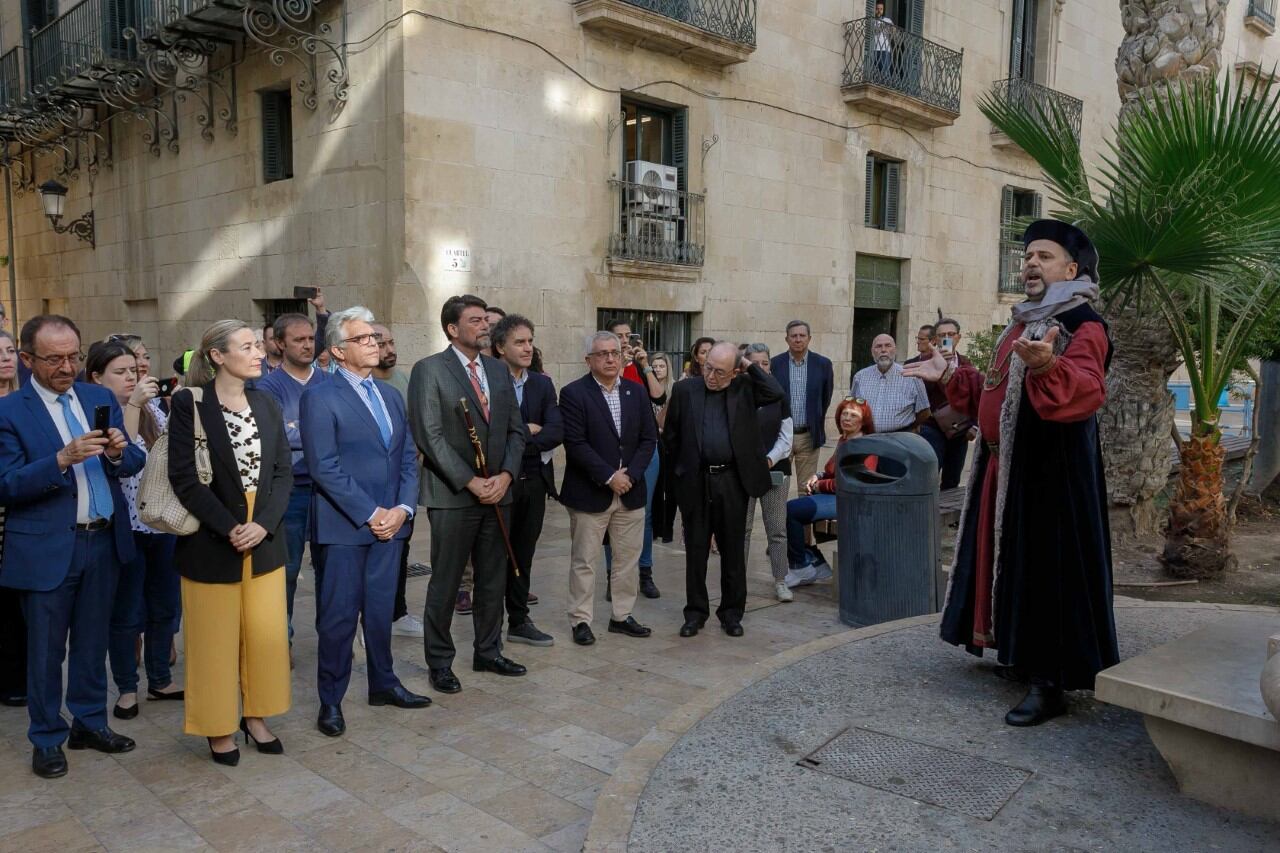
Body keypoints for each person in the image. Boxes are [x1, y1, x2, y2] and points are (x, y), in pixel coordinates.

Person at [903, 219, 1118, 727]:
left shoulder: (1083, 322)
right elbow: (996, 393)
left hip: (1051, 477)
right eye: (1027, 256)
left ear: (1072, 268)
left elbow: (1086, 391)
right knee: (1012, 566)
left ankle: (1051, 683)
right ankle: (1021, 653)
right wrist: (954, 375)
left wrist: (1048, 367)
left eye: (1044, 256)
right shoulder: (1021, 323)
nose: (1030, 264)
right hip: (1004, 466)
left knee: (1047, 572)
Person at [0, 315, 145, 778]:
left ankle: (88, 723)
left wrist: (121, 451)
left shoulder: (97, 397)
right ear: (27, 360)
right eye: (53, 358)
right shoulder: (9, 412)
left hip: (103, 540)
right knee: (45, 651)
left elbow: (133, 460)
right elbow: (6, 484)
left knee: (91, 642)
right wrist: (61, 459)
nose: (66, 366)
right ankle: (46, 738)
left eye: (73, 356)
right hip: (45, 551)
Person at [169, 320, 293, 765]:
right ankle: (218, 725)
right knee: (213, 642)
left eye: (259, 344)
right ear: (218, 356)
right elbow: (183, 477)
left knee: (264, 637)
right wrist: (230, 527)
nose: (259, 352)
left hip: (265, 536)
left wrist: (262, 525)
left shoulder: (267, 403)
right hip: (210, 537)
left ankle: (256, 716)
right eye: (247, 346)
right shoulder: (190, 403)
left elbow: (283, 472)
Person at [302, 307, 429, 738]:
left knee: (379, 613)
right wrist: (372, 513)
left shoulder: (392, 395)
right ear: (338, 350)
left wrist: (403, 510)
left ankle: (384, 683)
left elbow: (409, 459)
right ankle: (331, 701)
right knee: (338, 619)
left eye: (375, 336)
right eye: (363, 338)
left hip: (391, 527)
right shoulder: (319, 397)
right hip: (344, 528)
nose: (375, 342)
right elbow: (324, 467)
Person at [409, 294, 527, 694]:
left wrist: (507, 476)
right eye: (475, 320)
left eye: (484, 319)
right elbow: (430, 435)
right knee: (445, 581)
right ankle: (440, 662)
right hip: (453, 496)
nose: (484, 326)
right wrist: (471, 481)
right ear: (452, 329)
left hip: (499, 494)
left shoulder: (497, 370)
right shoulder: (430, 371)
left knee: (493, 579)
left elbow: (516, 429)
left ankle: (488, 651)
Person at [85, 341, 183, 721]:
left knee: (165, 606)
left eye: (135, 371)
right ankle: (127, 687)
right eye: (120, 372)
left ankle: (160, 678)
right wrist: (133, 405)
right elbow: (123, 459)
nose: (132, 378)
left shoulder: (155, 408)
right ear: (96, 378)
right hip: (123, 524)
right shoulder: (98, 413)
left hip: (163, 521)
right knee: (127, 610)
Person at [664, 342, 783, 638]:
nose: (711, 376)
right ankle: (695, 612)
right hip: (696, 479)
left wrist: (748, 365)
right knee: (696, 549)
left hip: (732, 481)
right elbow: (671, 436)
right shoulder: (685, 390)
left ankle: (731, 613)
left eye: (719, 371)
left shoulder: (744, 387)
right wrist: (679, 474)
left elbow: (775, 394)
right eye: (708, 368)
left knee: (732, 550)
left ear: (734, 371)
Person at [558, 332, 656, 645]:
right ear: (589, 360)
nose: (610, 359)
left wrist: (632, 474)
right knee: (585, 560)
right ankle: (580, 621)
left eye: (615, 352)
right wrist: (609, 476)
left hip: (630, 491)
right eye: (602, 354)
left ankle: (622, 616)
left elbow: (648, 439)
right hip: (590, 492)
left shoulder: (636, 392)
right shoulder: (573, 393)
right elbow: (575, 444)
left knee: (627, 559)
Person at [490, 314, 562, 647]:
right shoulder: (488, 382)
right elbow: (492, 438)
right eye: (519, 342)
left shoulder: (542, 384)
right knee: (494, 555)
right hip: (498, 483)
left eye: (530, 341)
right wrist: (527, 431)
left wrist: (518, 436)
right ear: (500, 346)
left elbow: (556, 431)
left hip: (533, 479)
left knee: (524, 553)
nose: (527, 347)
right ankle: (489, 627)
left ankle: (518, 620)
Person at [257, 313, 329, 641]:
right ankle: (280, 640)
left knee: (331, 570)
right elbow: (275, 444)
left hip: (329, 491)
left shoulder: (329, 383)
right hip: (291, 493)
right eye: (298, 340)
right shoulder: (266, 388)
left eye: (310, 338)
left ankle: (333, 637)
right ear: (279, 343)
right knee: (286, 570)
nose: (306, 345)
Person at [603, 318, 667, 599]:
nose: (626, 340)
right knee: (609, 514)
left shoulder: (641, 367)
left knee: (645, 512)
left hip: (645, 450)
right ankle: (612, 576)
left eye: (629, 335)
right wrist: (620, 363)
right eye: (619, 336)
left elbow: (658, 397)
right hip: (614, 451)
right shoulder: (605, 367)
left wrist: (644, 365)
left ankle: (645, 572)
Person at [783, 398, 875, 588]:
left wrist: (821, 485)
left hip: (850, 501)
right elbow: (831, 470)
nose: (847, 418)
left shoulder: (865, 445)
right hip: (834, 496)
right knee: (794, 509)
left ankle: (801, 566)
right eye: (844, 413)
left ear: (864, 421)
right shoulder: (844, 439)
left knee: (791, 510)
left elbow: (853, 482)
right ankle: (816, 562)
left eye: (854, 415)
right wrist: (817, 476)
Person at [370, 322, 423, 638]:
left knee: (401, 550)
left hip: (403, 483)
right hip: (371, 487)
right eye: (381, 343)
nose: (389, 349)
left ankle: (397, 612)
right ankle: (368, 619)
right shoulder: (355, 385)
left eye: (391, 342)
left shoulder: (403, 380)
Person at [740, 344, 794, 602]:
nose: (760, 367)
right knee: (743, 528)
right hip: (744, 471)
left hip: (776, 468)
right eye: (755, 363)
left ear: (770, 365)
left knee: (776, 528)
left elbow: (787, 436)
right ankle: (737, 579)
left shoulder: (779, 394)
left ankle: (781, 580)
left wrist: (769, 460)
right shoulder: (739, 391)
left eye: (765, 363)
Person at [771, 321, 835, 502]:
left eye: (802, 336)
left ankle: (805, 531)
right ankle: (780, 528)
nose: (798, 340)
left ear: (809, 338)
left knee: (806, 488)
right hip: (781, 436)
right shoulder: (775, 364)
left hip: (808, 436)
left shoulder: (822, 364)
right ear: (787, 339)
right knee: (778, 487)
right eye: (794, 336)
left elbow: (826, 397)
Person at [909, 317, 973, 490]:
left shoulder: (966, 363)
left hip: (959, 430)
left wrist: (975, 426)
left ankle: (947, 516)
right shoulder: (923, 363)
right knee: (927, 477)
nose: (947, 338)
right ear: (935, 340)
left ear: (958, 337)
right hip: (932, 427)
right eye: (942, 335)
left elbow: (975, 396)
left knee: (952, 480)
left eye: (950, 334)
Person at [0, 331, 25, 709]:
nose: (6, 358)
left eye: (9, 351)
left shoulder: (25, 404)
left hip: (21, 514)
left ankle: (16, 677)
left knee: (17, 603)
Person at [851, 334, 930, 433]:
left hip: (900, 438)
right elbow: (851, 407)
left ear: (895, 350)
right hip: (867, 438)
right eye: (878, 346)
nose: (883, 350)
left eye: (888, 346)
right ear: (872, 352)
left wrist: (909, 428)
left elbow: (924, 411)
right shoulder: (860, 377)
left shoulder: (911, 376)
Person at [648, 353, 678, 543]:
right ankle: (655, 526)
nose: (658, 369)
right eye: (655, 366)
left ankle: (667, 528)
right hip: (652, 441)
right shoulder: (646, 386)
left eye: (661, 366)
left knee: (671, 488)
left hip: (670, 443)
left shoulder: (675, 388)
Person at [872, 0, 894, 80]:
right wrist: (881, 28)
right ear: (874, 9)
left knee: (885, 72)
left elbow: (893, 32)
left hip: (885, 49)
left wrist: (890, 29)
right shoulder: (872, 20)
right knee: (873, 71)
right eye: (877, 9)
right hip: (873, 48)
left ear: (883, 10)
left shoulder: (887, 20)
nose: (879, 11)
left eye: (881, 9)